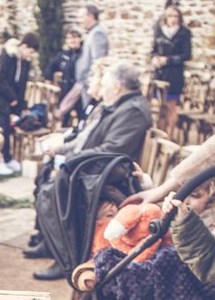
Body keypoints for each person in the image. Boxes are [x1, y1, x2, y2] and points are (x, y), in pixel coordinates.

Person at [32, 61, 152, 281]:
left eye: (104, 82)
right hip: (101, 168)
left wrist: (71, 162)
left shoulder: (132, 110)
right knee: (48, 178)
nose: (101, 87)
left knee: (56, 186)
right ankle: (54, 247)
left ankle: (67, 259)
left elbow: (112, 151)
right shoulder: (120, 105)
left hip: (114, 176)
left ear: (117, 86)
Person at [0, 33, 40, 176]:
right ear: (24, 47)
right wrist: (12, 97)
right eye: (31, 52)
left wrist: (21, 107)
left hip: (9, 102)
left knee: (7, 129)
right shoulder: (7, 56)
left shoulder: (25, 63)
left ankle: (7, 158)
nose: (31, 55)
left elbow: (21, 86)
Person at [151, 4, 192, 137]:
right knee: (160, 107)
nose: (172, 19)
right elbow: (154, 50)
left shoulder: (184, 33)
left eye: (175, 16)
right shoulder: (159, 30)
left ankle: (169, 136)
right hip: (160, 75)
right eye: (170, 16)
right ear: (165, 17)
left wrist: (167, 60)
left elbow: (187, 55)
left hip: (174, 76)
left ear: (179, 18)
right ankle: (160, 135)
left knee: (171, 106)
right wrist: (154, 59)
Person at [44, 29, 83, 125]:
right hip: (66, 91)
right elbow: (50, 67)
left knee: (82, 118)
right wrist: (48, 80)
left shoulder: (83, 54)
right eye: (69, 38)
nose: (72, 41)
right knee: (64, 119)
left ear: (80, 39)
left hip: (79, 93)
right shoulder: (64, 55)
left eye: (74, 37)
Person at [75, 5, 109, 112]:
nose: (79, 20)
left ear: (91, 17)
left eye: (81, 17)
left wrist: (89, 81)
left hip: (90, 85)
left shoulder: (98, 34)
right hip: (85, 85)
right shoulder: (92, 33)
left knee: (90, 112)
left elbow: (98, 62)